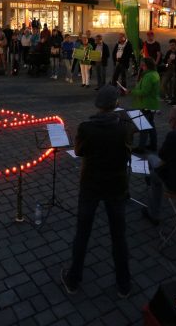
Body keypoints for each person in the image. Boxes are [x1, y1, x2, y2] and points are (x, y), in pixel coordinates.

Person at [61, 85, 132, 298]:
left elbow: (79, 151)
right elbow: (128, 150)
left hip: (91, 184)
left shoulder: (86, 127)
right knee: (119, 236)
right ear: (116, 105)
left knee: (83, 232)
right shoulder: (125, 127)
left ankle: (73, 280)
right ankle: (124, 284)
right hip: (116, 186)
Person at [129, 57, 161, 153]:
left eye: (143, 65)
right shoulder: (154, 74)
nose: (141, 67)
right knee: (151, 125)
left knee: (143, 127)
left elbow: (144, 91)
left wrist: (131, 92)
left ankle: (141, 148)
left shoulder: (149, 76)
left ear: (147, 66)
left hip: (147, 104)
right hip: (152, 104)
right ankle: (153, 144)